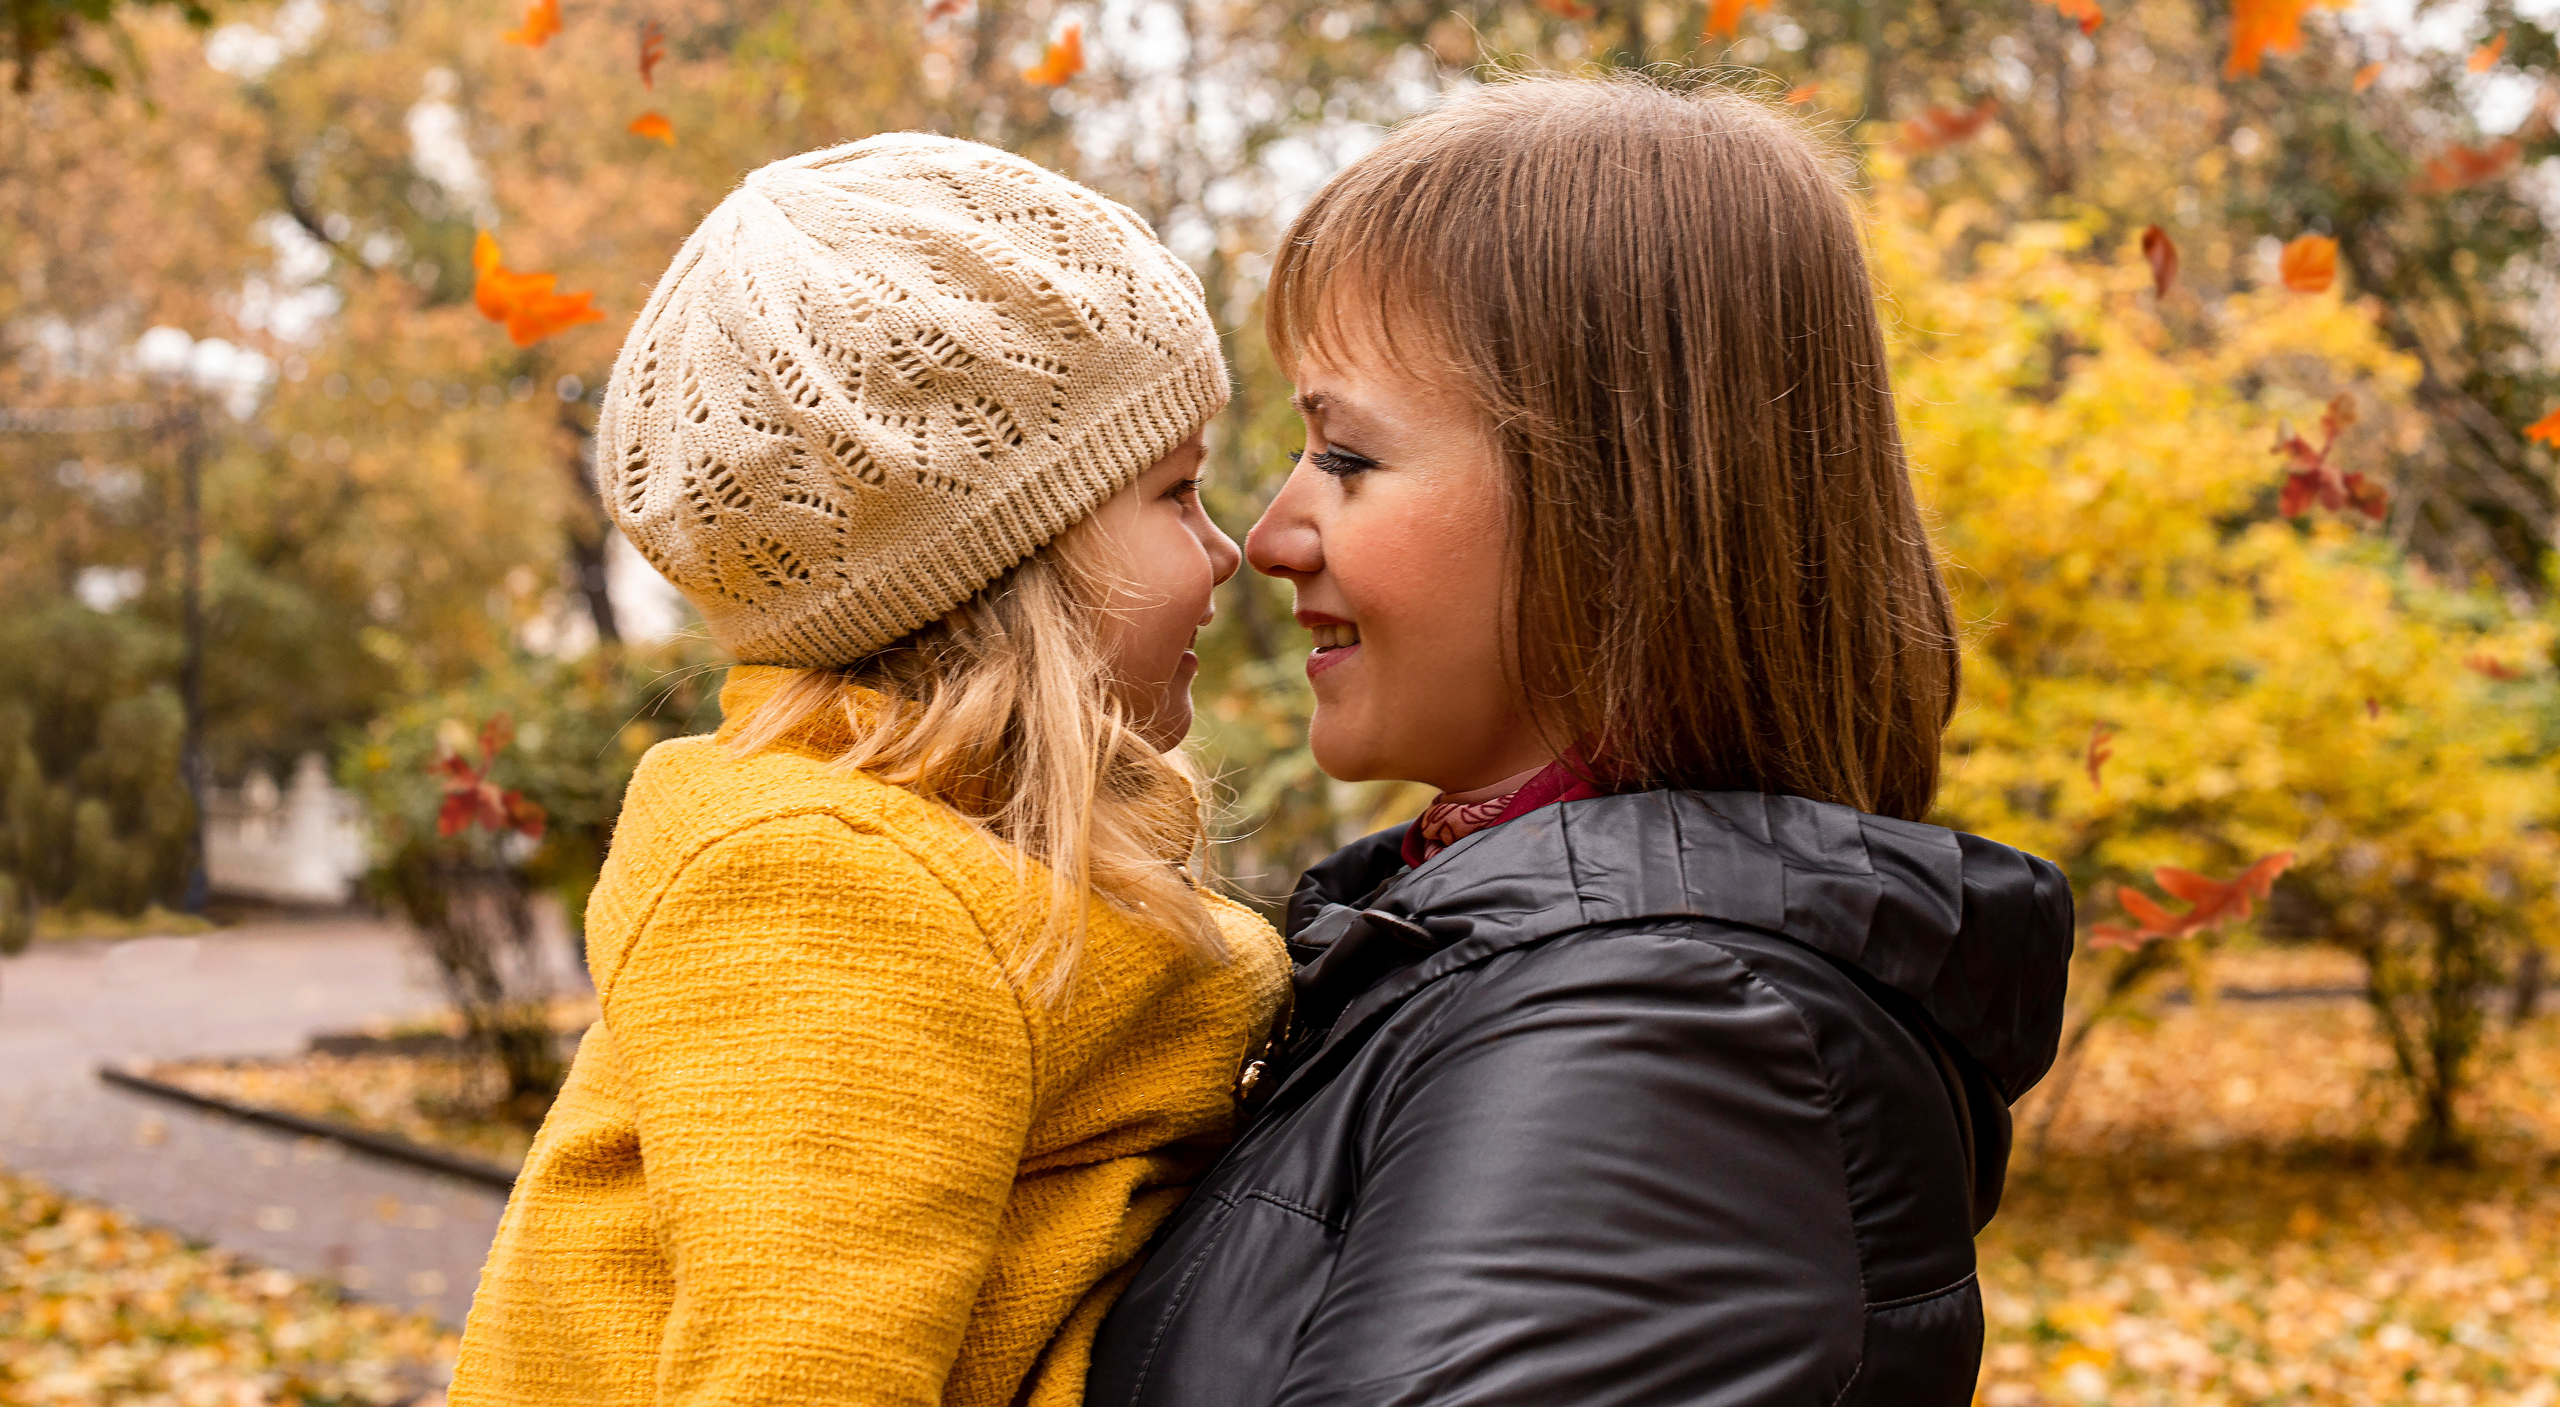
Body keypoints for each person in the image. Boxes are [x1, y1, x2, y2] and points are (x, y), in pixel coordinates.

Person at [1084, 76, 2075, 1407]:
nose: (1267, 536)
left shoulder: (1664, 1038)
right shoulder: (1482, 961)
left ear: (1619, 506)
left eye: (1349, 455)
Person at [450, 135, 1290, 1407]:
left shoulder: (965, 855)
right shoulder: (828, 894)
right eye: (1176, 492)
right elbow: (797, 1376)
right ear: (1015, 567)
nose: (1231, 551)